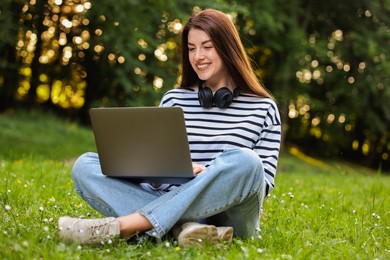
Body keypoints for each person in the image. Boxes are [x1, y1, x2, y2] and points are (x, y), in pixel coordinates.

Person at [58, 8, 281, 248]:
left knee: (247, 161)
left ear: (228, 48)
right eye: (192, 48)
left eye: (207, 46)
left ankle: (126, 225)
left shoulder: (264, 108)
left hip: (230, 216)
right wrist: (162, 172)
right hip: (170, 197)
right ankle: (185, 229)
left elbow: (260, 183)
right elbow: (157, 172)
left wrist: (208, 174)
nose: (198, 56)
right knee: (85, 165)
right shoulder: (175, 100)